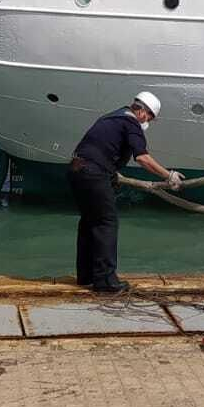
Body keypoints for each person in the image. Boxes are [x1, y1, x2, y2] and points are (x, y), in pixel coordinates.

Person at [67, 92, 183, 294]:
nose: (147, 122)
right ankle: (105, 281)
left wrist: (111, 174)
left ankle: (86, 276)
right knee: (106, 222)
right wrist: (169, 175)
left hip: (76, 171)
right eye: (149, 118)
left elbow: (101, 147)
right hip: (94, 173)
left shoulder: (111, 117)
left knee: (89, 222)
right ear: (143, 112)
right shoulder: (131, 123)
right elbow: (142, 157)